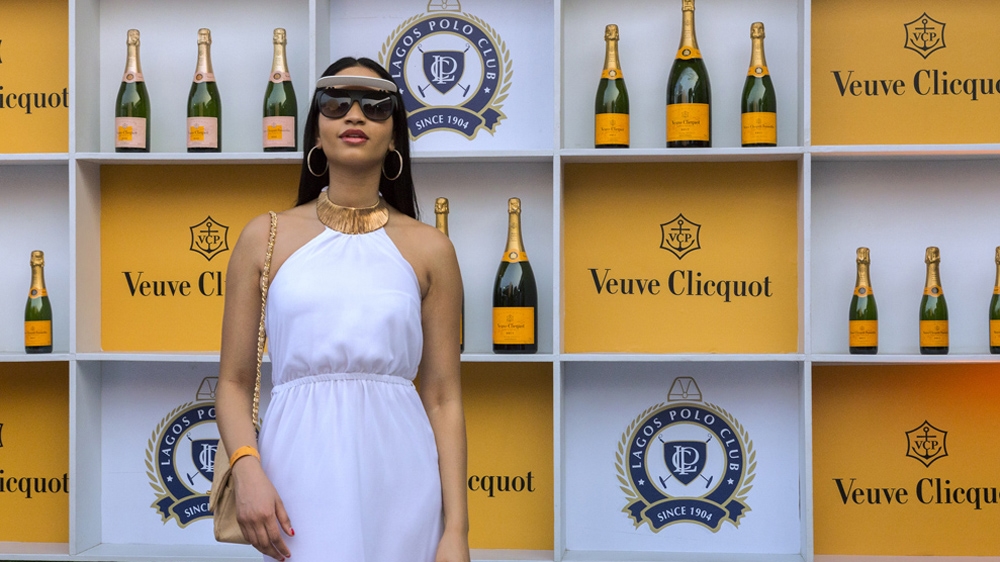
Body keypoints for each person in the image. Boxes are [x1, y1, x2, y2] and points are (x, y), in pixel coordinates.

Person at [216, 56, 469, 562]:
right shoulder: (262, 237)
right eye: (336, 103)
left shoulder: (431, 249)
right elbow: (234, 383)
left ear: (394, 136)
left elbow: (443, 398)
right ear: (316, 130)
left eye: (375, 105)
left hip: (403, 477)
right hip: (294, 476)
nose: (355, 115)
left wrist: (457, 531)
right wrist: (246, 469)